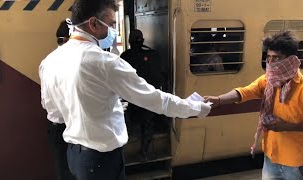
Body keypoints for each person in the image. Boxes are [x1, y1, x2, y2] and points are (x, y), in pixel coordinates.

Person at [39, 0, 211, 180]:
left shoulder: (50, 61)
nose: (113, 31)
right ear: (94, 23)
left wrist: (103, 108)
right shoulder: (105, 63)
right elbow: (155, 100)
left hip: (74, 155)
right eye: (111, 24)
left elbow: (55, 112)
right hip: (101, 160)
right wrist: (195, 107)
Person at [204, 31, 303, 180]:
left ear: (290, 60)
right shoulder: (267, 81)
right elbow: (245, 91)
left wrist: (286, 126)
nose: (271, 63)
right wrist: (219, 100)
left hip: (295, 160)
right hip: (271, 157)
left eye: (276, 58)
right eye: (269, 58)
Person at [120, 29, 164, 159]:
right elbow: (159, 77)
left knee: (127, 114)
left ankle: (126, 147)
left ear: (129, 41)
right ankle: (145, 150)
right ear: (143, 40)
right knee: (147, 120)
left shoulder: (125, 56)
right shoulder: (154, 54)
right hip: (150, 98)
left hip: (132, 99)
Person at [44, 20, 75, 180]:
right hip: (74, 127)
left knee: (62, 171)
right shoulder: (75, 61)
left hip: (55, 127)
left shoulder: (46, 62)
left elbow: (45, 101)